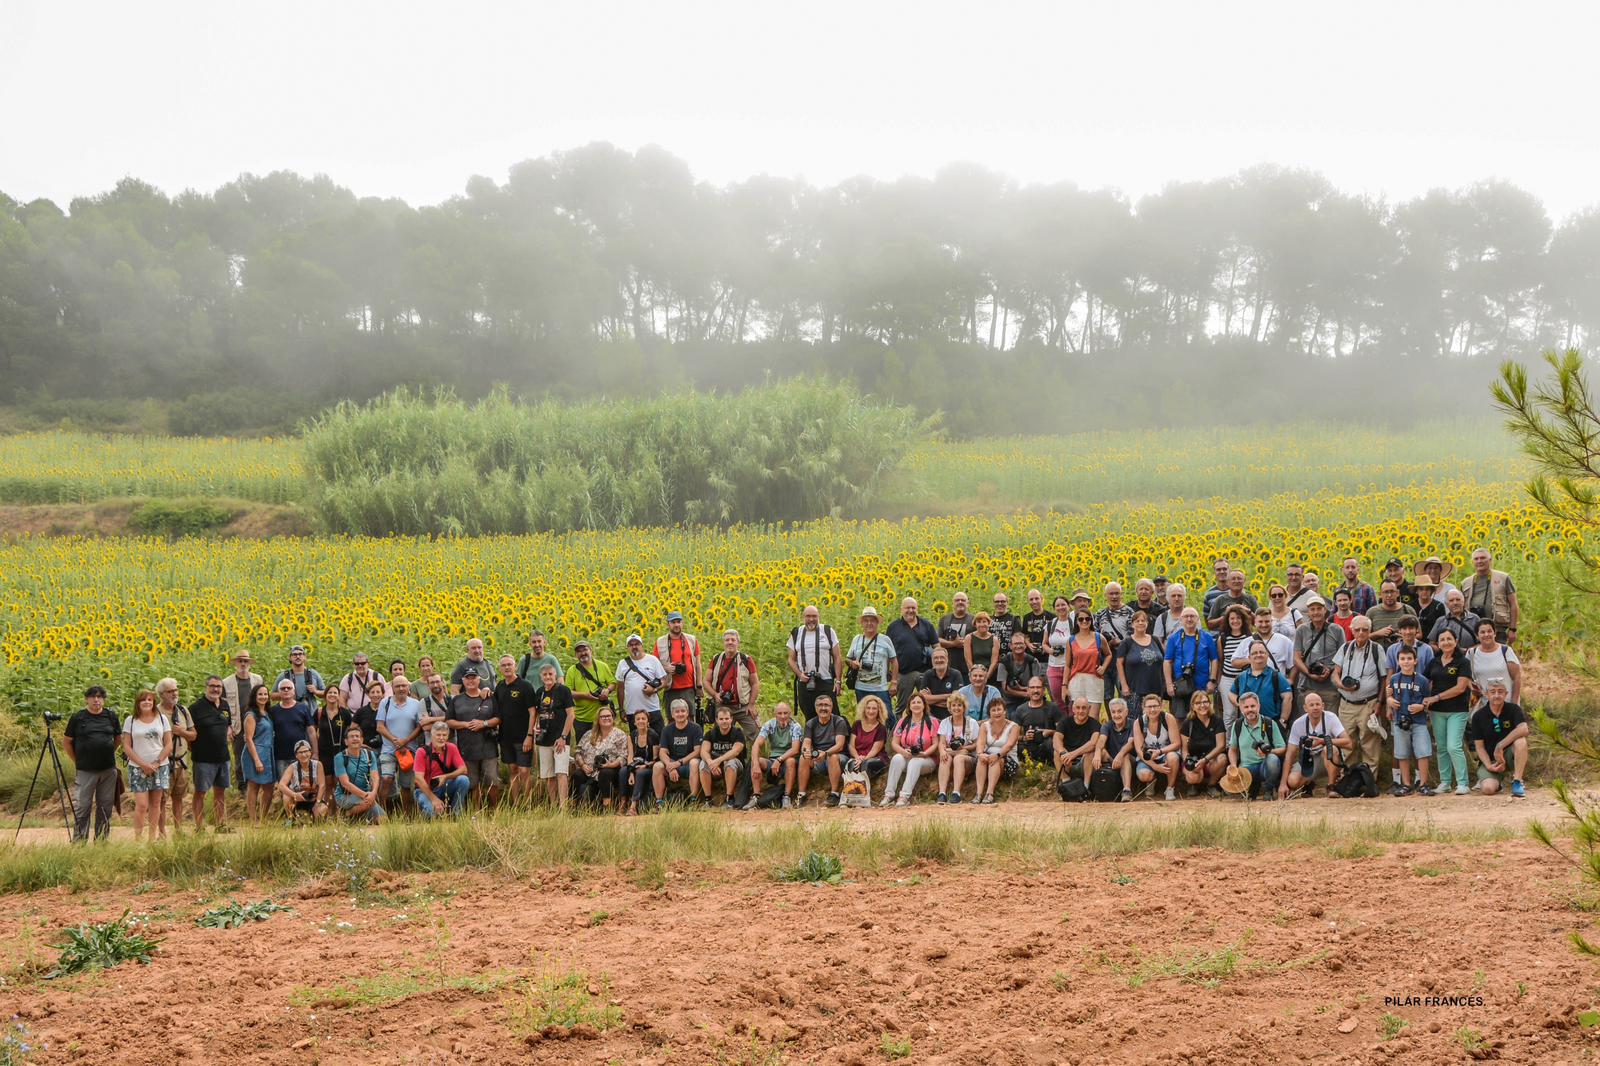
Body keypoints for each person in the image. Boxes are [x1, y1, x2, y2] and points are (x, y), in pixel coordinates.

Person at [1330, 617, 1388, 774]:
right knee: (1347, 744)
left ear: (1370, 631)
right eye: (1357, 629)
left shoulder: (1377, 649)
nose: (1361, 633)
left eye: (1365, 629)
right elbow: (1335, 673)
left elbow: (1384, 678)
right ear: (1352, 630)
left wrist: (1380, 702)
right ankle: (1348, 781)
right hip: (1346, 704)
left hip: (1368, 704)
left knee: (1370, 746)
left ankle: (1369, 782)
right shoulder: (1345, 647)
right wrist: (1341, 685)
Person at [64, 685, 121, 841]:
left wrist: (109, 751)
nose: (96, 700)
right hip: (85, 770)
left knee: (105, 808)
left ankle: (102, 841)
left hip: (108, 770)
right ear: (86, 699)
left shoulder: (111, 716)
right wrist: (78, 760)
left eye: (100, 697)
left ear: (103, 699)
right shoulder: (78, 718)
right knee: (83, 807)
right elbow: (67, 742)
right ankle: (79, 842)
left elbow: (118, 738)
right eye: (93, 697)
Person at [1424, 628, 1475, 796]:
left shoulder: (1463, 662)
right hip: (1437, 712)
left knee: (1454, 746)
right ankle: (1445, 782)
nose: (1446, 642)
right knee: (1442, 748)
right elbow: (1425, 682)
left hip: (1457, 710)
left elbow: (1460, 688)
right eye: (1442, 640)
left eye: (1449, 639)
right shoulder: (1434, 661)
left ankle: (1463, 783)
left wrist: (1436, 697)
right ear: (1437, 643)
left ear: (1456, 641)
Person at [119, 690, 171, 842]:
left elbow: (168, 744)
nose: (147, 702)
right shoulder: (131, 720)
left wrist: (156, 763)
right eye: (143, 700)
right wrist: (143, 764)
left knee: (156, 804)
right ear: (138, 703)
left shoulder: (161, 719)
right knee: (142, 805)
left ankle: (151, 838)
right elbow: (127, 746)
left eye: (150, 699)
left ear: (154, 702)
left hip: (160, 766)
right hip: (137, 767)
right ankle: (138, 839)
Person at [1279, 692, 1352, 798]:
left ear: (1323, 706)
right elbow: (1289, 755)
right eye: (1311, 705)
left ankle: (1331, 786)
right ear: (1305, 708)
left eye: (1318, 704)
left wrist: (1323, 741)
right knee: (1293, 781)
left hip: (1329, 757)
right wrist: (1283, 784)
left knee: (1329, 749)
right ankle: (1308, 784)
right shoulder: (1298, 723)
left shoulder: (1331, 718)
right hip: (1308, 759)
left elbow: (1348, 743)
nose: (1315, 708)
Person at [447, 668, 500, 806]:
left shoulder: (489, 697)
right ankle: (476, 812)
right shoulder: (456, 700)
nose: (471, 681)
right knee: (472, 783)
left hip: (488, 747)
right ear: (463, 681)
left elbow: (499, 718)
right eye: (468, 678)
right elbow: (449, 721)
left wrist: (484, 723)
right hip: (467, 748)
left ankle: (495, 811)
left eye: (473, 678)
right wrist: (465, 724)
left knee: (492, 780)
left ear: (479, 680)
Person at [527, 662, 576, 809]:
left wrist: (563, 737)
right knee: (548, 775)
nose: (548, 677)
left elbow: (571, 715)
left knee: (561, 773)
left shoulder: (563, 690)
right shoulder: (540, 692)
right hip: (544, 739)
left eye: (550, 674)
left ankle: (563, 808)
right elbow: (536, 713)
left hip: (560, 739)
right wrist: (535, 727)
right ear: (541, 677)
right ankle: (553, 807)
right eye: (545, 674)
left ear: (555, 675)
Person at [1387, 645, 1434, 796]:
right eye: (1402, 659)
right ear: (1398, 661)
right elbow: (1389, 695)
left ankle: (1423, 784)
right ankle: (1406, 784)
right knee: (1402, 753)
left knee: (1423, 752)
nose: (1406, 662)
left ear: (1415, 661)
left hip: (1419, 721)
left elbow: (1427, 699)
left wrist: (1421, 706)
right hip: (1400, 721)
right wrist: (1389, 700)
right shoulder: (1394, 678)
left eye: (1409, 659)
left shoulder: (1422, 680)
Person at [187, 676, 232, 831]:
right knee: (200, 792)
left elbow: (228, 726)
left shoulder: (225, 705)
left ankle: (221, 824)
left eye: (218, 686)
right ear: (206, 687)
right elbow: (189, 733)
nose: (215, 689)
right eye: (212, 686)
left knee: (220, 792)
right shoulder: (195, 708)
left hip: (223, 757)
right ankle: (199, 826)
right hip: (203, 759)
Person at [1469, 680, 1529, 797]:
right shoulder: (1478, 716)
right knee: (1487, 789)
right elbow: (1479, 747)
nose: (1497, 695)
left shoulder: (1513, 709)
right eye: (1493, 692)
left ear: (1506, 694)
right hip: (1492, 760)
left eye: (1500, 692)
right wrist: (1488, 765)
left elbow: (1524, 729)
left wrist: (1500, 746)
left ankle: (1517, 781)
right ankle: (1497, 784)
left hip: (1509, 755)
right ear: (1487, 695)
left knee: (1520, 741)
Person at [493, 653, 538, 802]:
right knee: (513, 770)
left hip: (523, 737)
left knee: (524, 771)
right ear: (500, 669)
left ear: (515, 666)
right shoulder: (499, 687)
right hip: (505, 738)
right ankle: (517, 804)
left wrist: (530, 736)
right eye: (503, 665)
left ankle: (529, 805)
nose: (507, 667)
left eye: (509, 664)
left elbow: (533, 712)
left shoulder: (525, 686)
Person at [881, 693, 939, 806]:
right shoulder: (903, 722)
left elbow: (935, 743)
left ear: (924, 705)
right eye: (913, 702)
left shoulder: (931, 721)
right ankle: (889, 794)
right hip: (907, 756)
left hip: (927, 758)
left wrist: (925, 753)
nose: (916, 705)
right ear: (909, 706)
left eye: (919, 702)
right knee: (897, 758)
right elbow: (894, 742)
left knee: (915, 761)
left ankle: (904, 796)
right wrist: (903, 752)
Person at [787, 605, 842, 722]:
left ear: (819, 617)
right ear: (803, 617)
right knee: (810, 716)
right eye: (808, 616)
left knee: (833, 716)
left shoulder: (827, 631)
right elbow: (791, 659)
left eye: (814, 616)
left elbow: (837, 657)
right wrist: (799, 674)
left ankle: (839, 739)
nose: (811, 619)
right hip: (805, 682)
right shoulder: (796, 633)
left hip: (826, 681)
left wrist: (838, 681)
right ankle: (811, 740)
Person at [704, 629, 761, 741]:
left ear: (738, 643)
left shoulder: (746, 659)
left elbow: (755, 683)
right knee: (720, 738)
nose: (730, 642)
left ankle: (753, 757)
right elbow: (706, 681)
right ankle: (721, 757)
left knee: (756, 734)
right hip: (722, 706)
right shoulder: (716, 659)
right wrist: (715, 694)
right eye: (727, 640)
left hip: (742, 706)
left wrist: (751, 704)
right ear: (723, 643)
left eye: (733, 640)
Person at [375, 675, 422, 809]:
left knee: (406, 785)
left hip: (409, 750)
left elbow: (419, 727)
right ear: (392, 688)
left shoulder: (416, 704)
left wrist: (406, 740)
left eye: (404, 685)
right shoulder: (385, 702)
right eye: (397, 686)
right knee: (386, 779)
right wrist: (394, 740)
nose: (401, 688)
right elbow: (380, 726)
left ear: (408, 687)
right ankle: (380, 812)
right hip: (389, 749)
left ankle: (406, 815)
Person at [1293, 596, 1344, 717]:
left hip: (1330, 687)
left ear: (1325, 610)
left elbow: (1343, 656)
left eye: (1319, 608)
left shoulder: (1336, 630)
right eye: (1312, 609)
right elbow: (1296, 658)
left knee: (1330, 724)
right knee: (1308, 725)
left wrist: (1330, 670)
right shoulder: (1301, 630)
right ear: (1308, 612)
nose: (1316, 612)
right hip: (1307, 686)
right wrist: (1309, 673)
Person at [1163, 607, 1218, 719]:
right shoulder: (1174, 638)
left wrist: (1212, 681)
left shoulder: (1207, 637)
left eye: (1192, 616)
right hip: (1181, 685)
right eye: (1186, 616)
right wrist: (1169, 684)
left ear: (1198, 619)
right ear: (1181, 620)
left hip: (1201, 685)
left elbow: (1214, 659)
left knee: (1202, 716)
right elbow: (1167, 661)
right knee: (1179, 717)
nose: (1189, 619)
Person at [1228, 693, 1285, 800]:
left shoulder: (1269, 723)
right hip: (1246, 768)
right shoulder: (1237, 725)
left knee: (1273, 760)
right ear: (1241, 709)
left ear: (1258, 706)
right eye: (1246, 707)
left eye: (1253, 706)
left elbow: (1282, 748)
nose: (1250, 709)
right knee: (1229, 787)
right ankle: (1252, 788)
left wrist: (1269, 752)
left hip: (1265, 766)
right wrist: (1233, 765)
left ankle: (1268, 789)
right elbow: (1232, 749)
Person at [220, 648, 262, 793]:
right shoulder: (226, 682)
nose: (243, 663)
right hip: (237, 724)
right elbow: (223, 706)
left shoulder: (257, 679)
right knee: (239, 756)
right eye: (240, 661)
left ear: (249, 663)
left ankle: (255, 783)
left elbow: (262, 699)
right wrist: (228, 727)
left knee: (257, 752)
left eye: (245, 661)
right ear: (235, 663)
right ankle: (242, 786)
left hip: (255, 722)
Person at [1458, 548, 1520, 645]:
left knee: (1498, 657)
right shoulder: (1466, 582)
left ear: (1490, 560)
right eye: (1476, 559)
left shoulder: (1503, 578)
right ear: (1472, 562)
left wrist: (1513, 629)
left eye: (1483, 558)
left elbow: (1513, 604)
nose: (1479, 561)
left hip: (1498, 629)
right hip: (1474, 629)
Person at [847, 607, 899, 719]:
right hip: (861, 687)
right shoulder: (857, 639)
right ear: (862, 623)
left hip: (881, 688)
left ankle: (890, 736)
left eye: (872, 620)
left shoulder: (885, 640)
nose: (869, 623)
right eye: (866, 620)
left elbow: (894, 661)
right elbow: (848, 659)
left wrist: (894, 682)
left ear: (877, 623)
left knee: (887, 716)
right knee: (864, 717)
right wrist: (852, 664)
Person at [748, 702, 803, 809]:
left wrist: (779, 760)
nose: (783, 716)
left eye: (785, 713)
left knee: (790, 761)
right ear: (775, 714)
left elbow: (795, 749)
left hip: (788, 759)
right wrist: (755, 764)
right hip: (773, 759)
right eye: (779, 713)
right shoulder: (769, 724)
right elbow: (756, 744)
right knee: (757, 761)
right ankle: (756, 796)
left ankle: (786, 797)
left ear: (790, 713)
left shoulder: (795, 726)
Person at [886, 597, 938, 711]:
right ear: (901, 609)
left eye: (913, 608)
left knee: (928, 704)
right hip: (903, 673)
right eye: (907, 608)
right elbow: (887, 652)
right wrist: (890, 675)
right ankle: (900, 727)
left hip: (924, 672)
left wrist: (936, 667)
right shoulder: (893, 627)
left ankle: (928, 727)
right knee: (902, 706)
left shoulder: (926, 625)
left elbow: (937, 646)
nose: (910, 610)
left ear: (917, 609)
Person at [798, 693, 849, 807]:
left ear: (831, 707)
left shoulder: (838, 721)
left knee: (833, 756)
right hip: (819, 759)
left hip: (838, 758)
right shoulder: (811, 723)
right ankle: (801, 795)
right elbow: (806, 743)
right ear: (816, 708)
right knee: (803, 757)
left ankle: (834, 794)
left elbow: (840, 745)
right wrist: (806, 752)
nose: (823, 708)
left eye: (826, 705)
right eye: (820, 705)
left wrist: (825, 753)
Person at [574, 707, 630, 810]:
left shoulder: (619, 734)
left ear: (613, 718)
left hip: (611, 768)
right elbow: (578, 752)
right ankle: (576, 805)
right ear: (598, 720)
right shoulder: (589, 734)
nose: (606, 718)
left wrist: (611, 764)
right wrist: (583, 765)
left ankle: (607, 805)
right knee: (577, 775)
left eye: (608, 716)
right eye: (603, 716)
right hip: (589, 769)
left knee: (605, 773)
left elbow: (623, 756)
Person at [653, 699, 704, 808]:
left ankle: (694, 800)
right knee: (657, 766)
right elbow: (662, 752)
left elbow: (697, 751)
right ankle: (659, 802)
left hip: (688, 764)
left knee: (695, 762)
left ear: (687, 712)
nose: (680, 714)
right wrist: (670, 766)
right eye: (677, 711)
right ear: (672, 714)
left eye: (682, 711)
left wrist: (679, 763)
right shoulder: (666, 730)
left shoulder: (696, 728)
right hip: (672, 764)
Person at [156, 677, 191, 838]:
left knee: (178, 798)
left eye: (175, 690)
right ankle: (162, 832)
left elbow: (194, 735)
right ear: (161, 694)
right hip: (163, 762)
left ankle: (178, 831)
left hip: (182, 761)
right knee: (161, 799)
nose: (174, 693)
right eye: (170, 691)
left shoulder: (183, 710)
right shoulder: (155, 712)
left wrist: (181, 732)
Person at [565, 640, 616, 746]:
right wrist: (585, 695)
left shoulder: (602, 666)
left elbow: (612, 683)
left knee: (603, 746)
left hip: (602, 717)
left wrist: (607, 691)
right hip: (581, 718)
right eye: (579, 651)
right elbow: (567, 692)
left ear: (591, 650)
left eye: (585, 649)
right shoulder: (572, 670)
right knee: (583, 747)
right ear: (576, 655)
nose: (583, 653)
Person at [413, 722, 469, 817]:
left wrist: (446, 777)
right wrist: (434, 799)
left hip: (443, 786)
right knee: (432, 812)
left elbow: (464, 769)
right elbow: (418, 779)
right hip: (425, 790)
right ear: (432, 735)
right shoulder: (421, 752)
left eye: (444, 735)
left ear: (448, 736)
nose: (441, 738)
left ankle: (456, 814)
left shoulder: (451, 747)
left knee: (463, 780)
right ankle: (427, 815)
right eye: (438, 735)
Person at [1131, 693, 1181, 800]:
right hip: (1148, 757)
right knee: (1144, 774)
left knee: (1173, 757)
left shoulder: (1168, 718)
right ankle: (1151, 781)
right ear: (1143, 708)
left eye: (1155, 706)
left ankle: (1170, 788)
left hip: (1165, 753)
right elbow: (1139, 750)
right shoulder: (1138, 722)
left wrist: (1160, 751)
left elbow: (1176, 743)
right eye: (1149, 707)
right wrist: (1155, 766)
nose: (1152, 710)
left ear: (1161, 706)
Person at [1232, 641, 1294, 727]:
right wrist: (1241, 704)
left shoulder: (1276, 676)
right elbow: (1231, 694)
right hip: (1247, 725)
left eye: (1262, 652)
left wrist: (1283, 720)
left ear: (1267, 655)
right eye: (1254, 653)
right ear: (1249, 657)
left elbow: (1288, 697)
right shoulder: (1241, 677)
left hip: (1272, 724)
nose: (1258, 655)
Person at [655, 611, 704, 717]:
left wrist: (699, 685)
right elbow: (654, 665)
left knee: (690, 718)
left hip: (689, 687)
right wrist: (666, 668)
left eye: (679, 622)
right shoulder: (660, 642)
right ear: (668, 624)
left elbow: (697, 664)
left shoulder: (692, 640)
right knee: (672, 718)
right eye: (673, 622)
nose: (676, 625)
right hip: (670, 687)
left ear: (682, 623)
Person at [1117, 609, 1167, 712]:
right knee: (1135, 720)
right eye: (1137, 621)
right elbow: (1119, 663)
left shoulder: (1155, 640)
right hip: (1134, 690)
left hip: (1155, 688)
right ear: (1132, 624)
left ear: (1147, 623)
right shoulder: (1126, 642)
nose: (1140, 623)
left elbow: (1164, 660)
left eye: (1143, 620)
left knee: (1154, 717)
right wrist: (1124, 685)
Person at [332, 723, 384, 823]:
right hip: (344, 795)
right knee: (368, 804)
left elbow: (375, 777)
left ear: (362, 740)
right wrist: (366, 796)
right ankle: (345, 814)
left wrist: (373, 793)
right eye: (352, 737)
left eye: (357, 736)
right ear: (346, 742)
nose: (355, 738)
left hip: (367, 795)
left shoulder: (369, 754)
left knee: (383, 820)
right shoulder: (339, 757)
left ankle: (354, 817)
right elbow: (345, 783)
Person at [240, 683, 276, 825]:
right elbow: (248, 739)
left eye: (265, 694)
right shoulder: (251, 715)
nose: (263, 697)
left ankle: (263, 818)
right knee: (254, 786)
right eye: (260, 694)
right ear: (254, 697)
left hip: (268, 753)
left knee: (269, 787)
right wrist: (256, 760)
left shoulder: (268, 713)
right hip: (255, 753)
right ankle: (253, 820)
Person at [698, 706, 747, 808]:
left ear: (731, 719)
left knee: (730, 762)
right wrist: (710, 762)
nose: (724, 721)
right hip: (715, 766)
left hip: (736, 766)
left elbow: (736, 751)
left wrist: (718, 761)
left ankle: (730, 798)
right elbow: (703, 751)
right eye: (721, 719)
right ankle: (708, 800)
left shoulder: (738, 732)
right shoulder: (710, 734)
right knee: (703, 763)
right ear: (716, 720)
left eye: (726, 719)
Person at [615, 634, 670, 727]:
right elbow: (620, 688)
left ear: (642, 646)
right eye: (631, 645)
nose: (634, 647)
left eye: (637, 644)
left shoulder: (652, 660)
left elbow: (664, 681)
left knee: (658, 738)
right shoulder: (622, 664)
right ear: (627, 648)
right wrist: (621, 709)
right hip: (632, 711)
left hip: (652, 709)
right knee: (637, 739)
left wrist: (654, 690)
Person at [1180, 691, 1227, 796]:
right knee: (1193, 778)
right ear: (1193, 706)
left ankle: (1211, 785)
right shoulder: (1188, 723)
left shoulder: (1217, 720)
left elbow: (1221, 745)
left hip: (1211, 760)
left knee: (1222, 758)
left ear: (1210, 704)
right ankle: (1194, 785)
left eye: (1205, 702)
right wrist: (1188, 762)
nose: (1202, 705)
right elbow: (1184, 749)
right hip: (1194, 760)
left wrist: (1205, 760)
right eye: (1198, 703)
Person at [1215, 605, 1254, 729]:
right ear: (1228, 620)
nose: (1235, 621)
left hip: (1246, 678)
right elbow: (1221, 660)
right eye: (1232, 618)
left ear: (1243, 620)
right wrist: (1217, 681)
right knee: (1229, 713)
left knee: (1247, 711)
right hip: (1227, 679)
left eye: (1238, 618)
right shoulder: (1223, 638)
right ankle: (1228, 745)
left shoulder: (1250, 638)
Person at [972, 700, 1019, 804]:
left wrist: (998, 755)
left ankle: (990, 794)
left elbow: (1009, 745)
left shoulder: (1014, 726)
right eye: (993, 710)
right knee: (982, 759)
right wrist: (980, 754)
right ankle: (979, 794)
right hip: (988, 758)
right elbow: (980, 742)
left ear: (1005, 711)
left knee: (995, 760)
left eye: (999, 709)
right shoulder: (985, 725)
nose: (997, 712)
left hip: (1007, 759)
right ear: (989, 713)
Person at [1468, 619, 1522, 708]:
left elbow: (1517, 677)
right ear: (1477, 636)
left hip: (1507, 704)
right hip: (1483, 707)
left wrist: (1514, 704)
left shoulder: (1505, 651)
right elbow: (1467, 678)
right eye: (1482, 632)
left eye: (1489, 631)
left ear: (1495, 633)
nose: (1486, 635)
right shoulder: (1471, 653)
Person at [935, 693, 979, 804]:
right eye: (953, 705)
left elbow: (977, 744)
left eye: (959, 705)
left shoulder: (972, 723)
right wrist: (942, 751)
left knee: (958, 758)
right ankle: (942, 793)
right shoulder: (945, 722)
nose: (956, 708)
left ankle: (956, 793)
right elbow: (942, 742)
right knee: (945, 757)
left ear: (964, 707)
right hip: (952, 753)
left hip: (968, 757)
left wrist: (964, 748)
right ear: (949, 708)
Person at [1066, 609, 1110, 713]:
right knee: (1077, 716)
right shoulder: (1071, 640)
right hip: (1076, 680)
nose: (1084, 621)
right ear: (1076, 621)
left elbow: (1108, 654)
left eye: (1087, 618)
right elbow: (1067, 665)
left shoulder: (1099, 637)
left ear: (1091, 620)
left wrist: (1103, 667)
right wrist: (1064, 686)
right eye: (1081, 619)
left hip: (1094, 680)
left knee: (1093, 717)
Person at [1053, 697, 1101, 789]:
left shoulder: (1095, 724)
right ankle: (1066, 782)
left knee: (1090, 752)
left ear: (1089, 709)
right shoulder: (1064, 722)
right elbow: (1056, 738)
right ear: (1073, 709)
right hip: (1068, 762)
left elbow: (1093, 743)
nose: (1080, 711)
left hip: (1085, 763)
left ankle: (1086, 787)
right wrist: (1063, 752)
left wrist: (1073, 754)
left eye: (1084, 708)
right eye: (1078, 708)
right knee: (1056, 752)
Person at [1013, 676, 1063, 764]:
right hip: (1028, 746)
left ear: (1044, 690)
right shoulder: (1020, 709)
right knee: (1014, 745)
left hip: (1047, 745)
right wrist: (1025, 737)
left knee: (1052, 742)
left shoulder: (1053, 707)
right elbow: (1013, 736)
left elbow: (1063, 732)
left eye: (1038, 687)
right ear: (1027, 690)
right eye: (1032, 687)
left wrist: (1049, 732)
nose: (1035, 690)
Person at [1097, 697, 1138, 802]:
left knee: (1124, 756)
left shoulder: (1134, 724)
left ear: (1126, 712)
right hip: (1113, 760)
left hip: (1130, 760)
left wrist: (1120, 755)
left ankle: (1127, 790)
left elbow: (1130, 743)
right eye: (1113, 712)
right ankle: (1092, 788)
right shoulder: (1107, 725)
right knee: (1098, 752)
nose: (1116, 715)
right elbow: (1101, 740)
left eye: (1119, 711)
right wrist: (1097, 753)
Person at [276, 739, 327, 822]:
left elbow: (322, 785)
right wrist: (294, 795)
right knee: (286, 796)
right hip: (297, 798)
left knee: (322, 809)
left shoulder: (318, 765)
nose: (304, 755)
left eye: (306, 751)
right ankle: (290, 819)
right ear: (296, 755)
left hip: (313, 798)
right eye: (300, 752)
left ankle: (315, 821)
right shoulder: (292, 767)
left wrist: (317, 802)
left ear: (310, 752)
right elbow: (281, 785)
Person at [848, 695, 890, 786]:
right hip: (858, 756)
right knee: (853, 765)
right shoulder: (857, 724)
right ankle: (851, 793)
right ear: (864, 709)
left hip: (875, 757)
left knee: (865, 764)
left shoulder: (881, 728)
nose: (871, 711)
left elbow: (874, 751)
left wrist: (863, 759)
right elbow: (851, 745)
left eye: (874, 708)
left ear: (879, 711)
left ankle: (863, 793)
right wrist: (857, 757)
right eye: (868, 708)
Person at [624, 709, 660, 815]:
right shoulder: (632, 735)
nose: (641, 721)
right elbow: (630, 756)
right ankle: (622, 803)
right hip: (635, 765)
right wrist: (631, 771)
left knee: (640, 773)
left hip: (649, 767)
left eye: (643, 719)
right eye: (638, 719)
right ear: (634, 722)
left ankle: (633, 806)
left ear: (648, 721)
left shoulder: (653, 735)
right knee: (622, 772)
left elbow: (655, 759)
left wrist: (645, 766)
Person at [997, 631, 1045, 710]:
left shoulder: (1033, 661)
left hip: (1031, 700)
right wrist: (1025, 693)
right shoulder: (1004, 663)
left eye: (1021, 643)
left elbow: (1039, 685)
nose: (1018, 646)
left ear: (1025, 645)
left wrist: (1028, 693)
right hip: (1010, 701)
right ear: (1010, 646)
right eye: (1016, 644)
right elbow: (1005, 688)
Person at [1042, 595, 1075, 704]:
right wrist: (1051, 651)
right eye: (1057, 605)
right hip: (1053, 667)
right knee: (1057, 700)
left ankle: (1072, 720)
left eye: (1063, 605)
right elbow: (1044, 644)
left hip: (1071, 667)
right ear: (1054, 608)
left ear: (1069, 606)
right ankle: (1061, 721)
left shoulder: (1075, 624)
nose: (1061, 607)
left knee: (1071, 699)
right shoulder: (1050, 624)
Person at [1365, 580, 1417, 650]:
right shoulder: (1371, 612)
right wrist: (1378, 634)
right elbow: (1362, 637)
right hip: (1378, 655)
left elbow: (1419, 635)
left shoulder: (1408, 610)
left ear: (1398, 593)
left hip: (1404, 655)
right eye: (1386, 592)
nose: (1389, 595)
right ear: (1380, 594)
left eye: (1392, 591)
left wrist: (1405, 636)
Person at [917, 647, 965, 719]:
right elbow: (923, 699)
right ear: (932, 660)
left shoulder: (956, 674)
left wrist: (932, 699)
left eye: (942, 657)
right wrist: (948, 696)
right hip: (930, 717)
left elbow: (956, 699)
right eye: (936, 658)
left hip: (951, 717)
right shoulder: (927, 675)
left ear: (947, 659)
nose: (939, 660)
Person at [938, 591, 976, 677]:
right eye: (957, 600)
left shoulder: (973, 619)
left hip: (967, 666)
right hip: (948, 666)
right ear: (953, 604)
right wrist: (953, 643)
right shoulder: (944, 619)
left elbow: (979, 639)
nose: (960, 602)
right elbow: (938, 641)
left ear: (968, 603)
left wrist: (966, 643)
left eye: (963, 600)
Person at [1250, 608, 1296, 676]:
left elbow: (1295, 664)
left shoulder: (1284, 641)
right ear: (1255, 622)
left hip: (1276, 684)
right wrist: (1250, 660)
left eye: (1267, 621)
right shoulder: (1247, 641)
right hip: (1254, 685)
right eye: (1260, 622)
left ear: (1272, 621)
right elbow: (1234, 662)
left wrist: (1291, 680)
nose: (1264, 625)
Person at [963, 611, 1001, 684]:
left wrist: (986, 677)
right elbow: (968, 660)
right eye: (979, 622)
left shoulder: (994, 639)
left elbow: (994, 662)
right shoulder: (969, 638)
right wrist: (975, 675)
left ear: (989, 623)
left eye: (984, 621)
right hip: (974, 676)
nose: (982, 624)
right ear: (975, 624)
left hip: (989, 675)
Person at [415, 672, 452, 746]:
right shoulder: (424, 702)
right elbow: (425, 727)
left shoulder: (452, 700)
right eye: (432, 683)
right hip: (431, 746)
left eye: (437, 682)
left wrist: (430, 719)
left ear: (443, 683)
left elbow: (456, 721)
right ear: (428, 685)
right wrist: (449, 720)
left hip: (451, 744)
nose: (435, 685)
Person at [1020, 588, 1053, 664]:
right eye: (1031, 599)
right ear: (1028, 601)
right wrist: (1029, 644)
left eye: (1036, 598)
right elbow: (1025, 635)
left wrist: (1047, 647)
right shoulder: (1027, 617)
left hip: (1047, 658)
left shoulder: (1051, 617)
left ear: (1042, 599)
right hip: (1031, 658)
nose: (1034, 601)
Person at [354, 678, 385, 750]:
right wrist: (360, 743)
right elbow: (353, 730)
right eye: (372, 692)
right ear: (368, 694)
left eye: (378, 692)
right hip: (364, 749)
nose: (375, 695)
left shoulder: (387, 710)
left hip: (384, 749)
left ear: (383, 694)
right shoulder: (361, 711)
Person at [1413, 576, 1446, 640]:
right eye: (1421, 589)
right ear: (1416, 591)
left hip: (1433, 642)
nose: (1424, 591)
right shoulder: (1411, 606)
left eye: (1427, 589)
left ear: (1431, 590)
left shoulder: (1439, 606)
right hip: (1413, 641)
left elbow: (1442, 627)